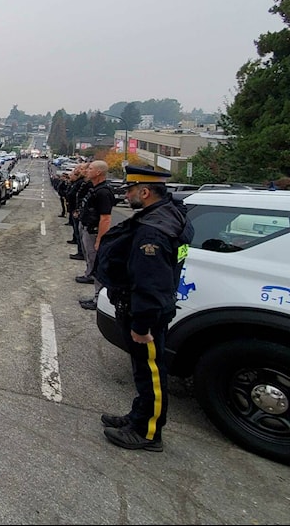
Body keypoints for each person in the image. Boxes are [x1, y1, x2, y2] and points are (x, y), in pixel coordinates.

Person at [93, 165, 194, 452]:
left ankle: (147, 432)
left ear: (146, 191)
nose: (126, 194)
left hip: (146, 316)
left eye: (130, 189)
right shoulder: (169, 215)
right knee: (144, 372)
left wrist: (141, 326)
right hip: (150, 310)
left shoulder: (153, 231)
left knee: (151, 373)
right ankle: (139, 416)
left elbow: (150, 283)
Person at [76, 160, 116, 308]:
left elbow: (105, 218)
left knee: (97, 266)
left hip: (94, 233)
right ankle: (96, 296)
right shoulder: (95, 189)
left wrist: (100, 239)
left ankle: (99, 300)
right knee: (91, 262)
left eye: (90, 168)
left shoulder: (103, 192)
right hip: (88, 229)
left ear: (98, 172)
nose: (87, 170)